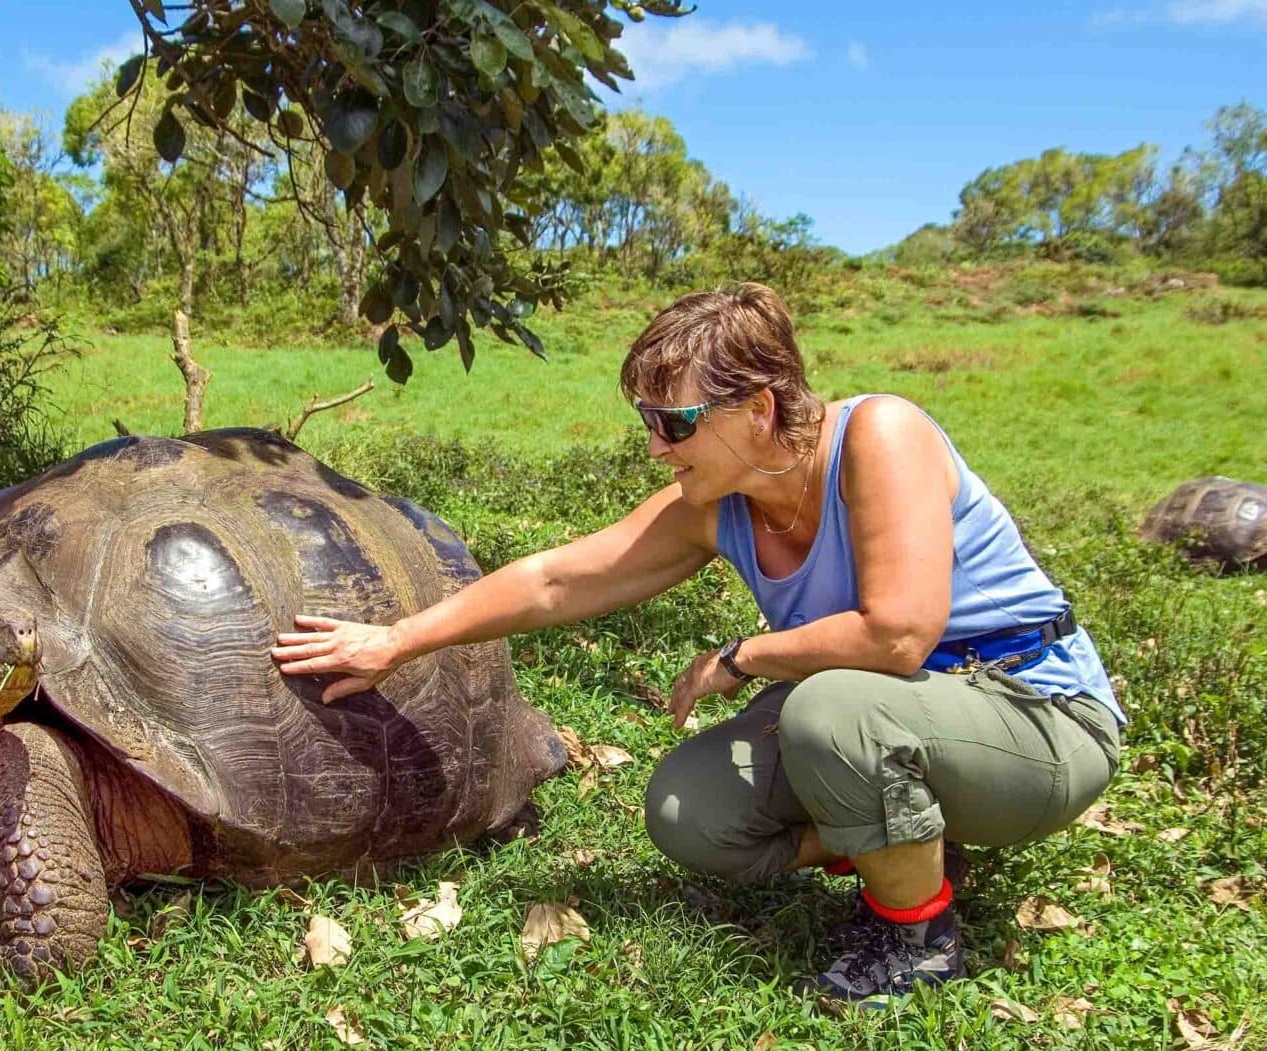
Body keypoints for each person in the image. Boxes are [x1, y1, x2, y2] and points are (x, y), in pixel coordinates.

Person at [270, 283, 1123, 1004]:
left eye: (673, 421)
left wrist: (743, 657)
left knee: (829, 711)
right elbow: (557, 580)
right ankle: (912, 836)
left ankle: (917, 933)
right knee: (691, 812)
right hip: (903, 720)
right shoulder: (720, 508)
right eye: (647, 420)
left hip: (1035, 717)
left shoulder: (881, 436)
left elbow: (898, 636)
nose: (653, 445)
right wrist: (396, 639)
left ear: (758, 410)